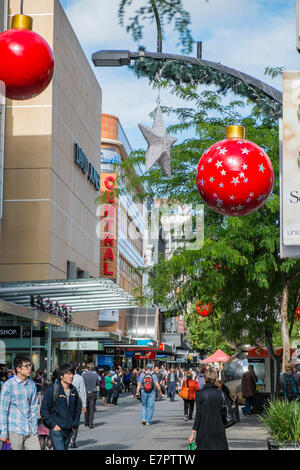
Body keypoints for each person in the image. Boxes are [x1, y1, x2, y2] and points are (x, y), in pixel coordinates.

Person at [0, 356, 40, 450]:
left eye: (30, 365)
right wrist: (3, 432)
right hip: (15, 430)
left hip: (31, 430)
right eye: (27, 366)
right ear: (18, 369)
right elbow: (3, 411)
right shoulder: (8, 385)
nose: (30, 368)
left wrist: (34, 426)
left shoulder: (31, 384)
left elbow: (33, 407)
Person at [41, 363, 81, 451]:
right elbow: (44, 410)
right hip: (57, 430)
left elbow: (78, 409)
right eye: (68, 374)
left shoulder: (74, 390)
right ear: (61, 376)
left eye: (72, 373)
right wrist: (53, 425)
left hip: (69, 430)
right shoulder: (53, 389)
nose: (71, 376)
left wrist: (74, 424)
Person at [188, 369, 228, 450]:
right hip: (218, 430)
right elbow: (225, 412)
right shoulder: (221, 394)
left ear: (204, 380)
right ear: (216, 380)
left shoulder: (200, 394)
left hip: (204, 430)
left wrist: (193, 433)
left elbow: (198, 415)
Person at [70, 362, 87, 448]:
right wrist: (84, 405)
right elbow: (82, 392)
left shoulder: (62, 377)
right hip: (77, 402)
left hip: (65, 401)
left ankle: (68, 438)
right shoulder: (79, 378)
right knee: (75, 421)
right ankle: (73, 439)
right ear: (76, 368)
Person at [82, 363, 99, 429]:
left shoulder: (83, 375)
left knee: (86, 407)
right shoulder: (95, 375)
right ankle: (91, 423)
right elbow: (97, 383)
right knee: (92, 408)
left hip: (85, 393)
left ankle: (86, 421)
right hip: (93, 393)